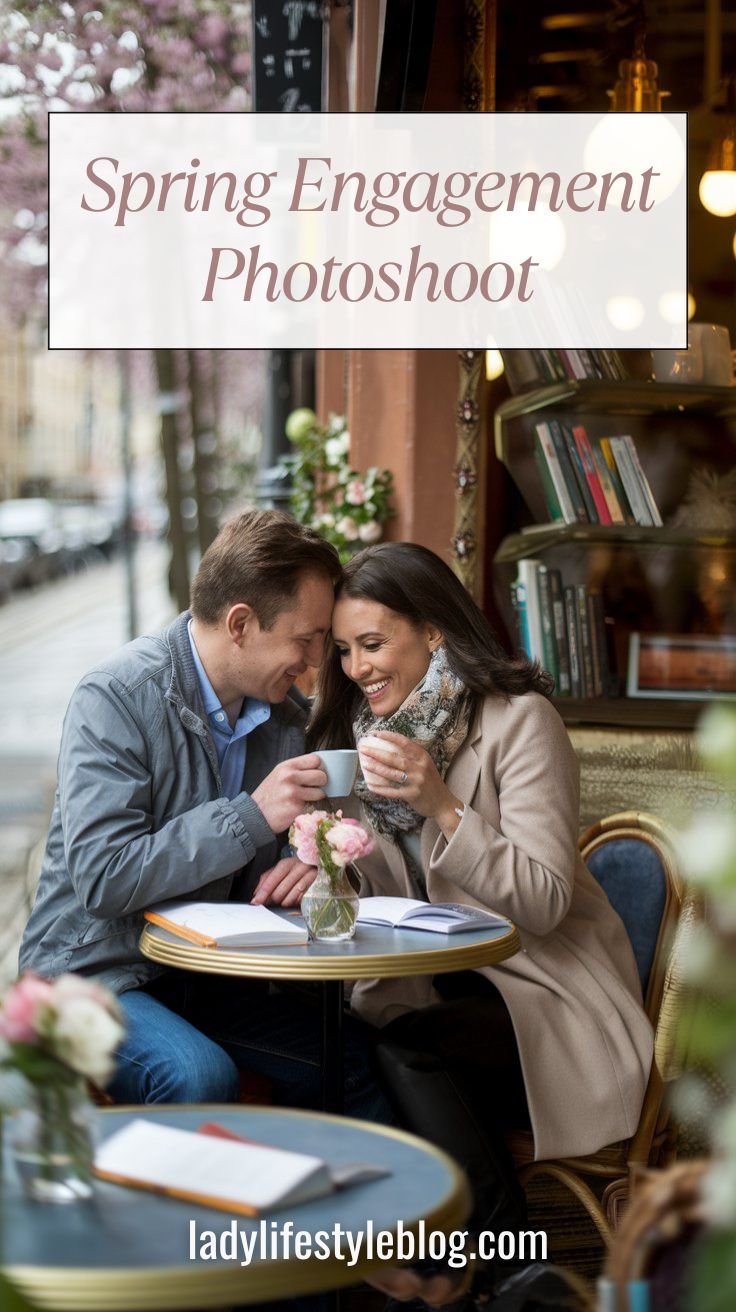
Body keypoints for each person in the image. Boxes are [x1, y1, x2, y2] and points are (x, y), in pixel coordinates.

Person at [308, 541, 654, 1307]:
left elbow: (541, 902)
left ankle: (499, 1275)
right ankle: (391, 1275)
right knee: (338, 1044)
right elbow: (396, 897)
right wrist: (326, 858)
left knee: (408, 1049)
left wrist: (440, 804)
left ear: (433, 631)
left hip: (545, 996)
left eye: (372, 644)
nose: (357, 667)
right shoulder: (369, 736)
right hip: (441, 987)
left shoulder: (520, 724)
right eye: (342, 651)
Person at [20, 509, 388, 1120]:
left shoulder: (286, 719)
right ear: (241, 623)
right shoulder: (115, 698)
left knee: (345, 1055)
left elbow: (311, 845)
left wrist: (313, 864)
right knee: (197, 1074)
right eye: (307, 638)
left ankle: (342, 1215)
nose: (319, 659)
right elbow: (103, 878)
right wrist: (250, 816)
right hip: (85, 974)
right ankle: (193, 1217)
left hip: (203, 980)